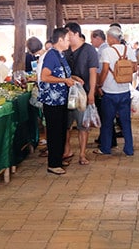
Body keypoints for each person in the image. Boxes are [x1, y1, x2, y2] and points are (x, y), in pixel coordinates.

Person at [39, 27, 76, 175]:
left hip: (61, 100)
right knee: (54, 132)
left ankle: (58, 159)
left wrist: (73, 79)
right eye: (67, 39)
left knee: (61, 131)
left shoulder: (60, 55)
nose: (69, 42)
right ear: (60, 40)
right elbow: (45, 76)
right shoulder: (51, 55)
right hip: (52, 102)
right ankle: (53, 164)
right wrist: (64, 80)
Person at [95, 26, 137, 156]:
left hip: (110, 91)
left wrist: (99, 84)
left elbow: (105, 70)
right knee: (126, 121)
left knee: (107, 122)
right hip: (125, 91)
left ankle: (106, 148)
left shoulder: (107, 51)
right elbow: (135, 68)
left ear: (111, 38)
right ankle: (129, 149)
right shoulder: (128, 50)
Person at [63, 22, 98, 166]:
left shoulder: (89, 50)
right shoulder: (64, 50)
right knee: (66, 124)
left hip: (83, 94)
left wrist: (91, 93)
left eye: (69, 35)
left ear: (77, 34)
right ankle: (67, 150)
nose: (67, 38)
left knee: (83, 125)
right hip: (66, 93)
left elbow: (93, 72)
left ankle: (82, 154)